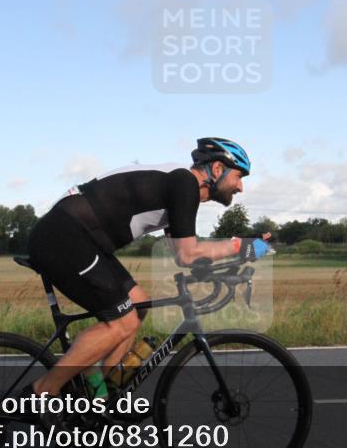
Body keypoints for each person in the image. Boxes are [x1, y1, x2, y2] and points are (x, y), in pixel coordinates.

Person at [24, 137, 272, 400]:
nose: (241, 187)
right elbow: (189, 255)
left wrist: (240, 248)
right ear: (218, 170)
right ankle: (42, 392)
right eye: (239, 176)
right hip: (65, 235)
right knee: (122, 321)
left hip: (84, 239)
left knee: (138, 305)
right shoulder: (184, 183)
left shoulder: (178, 186)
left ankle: (100, 392)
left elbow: (181, 253)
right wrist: (242, 248)